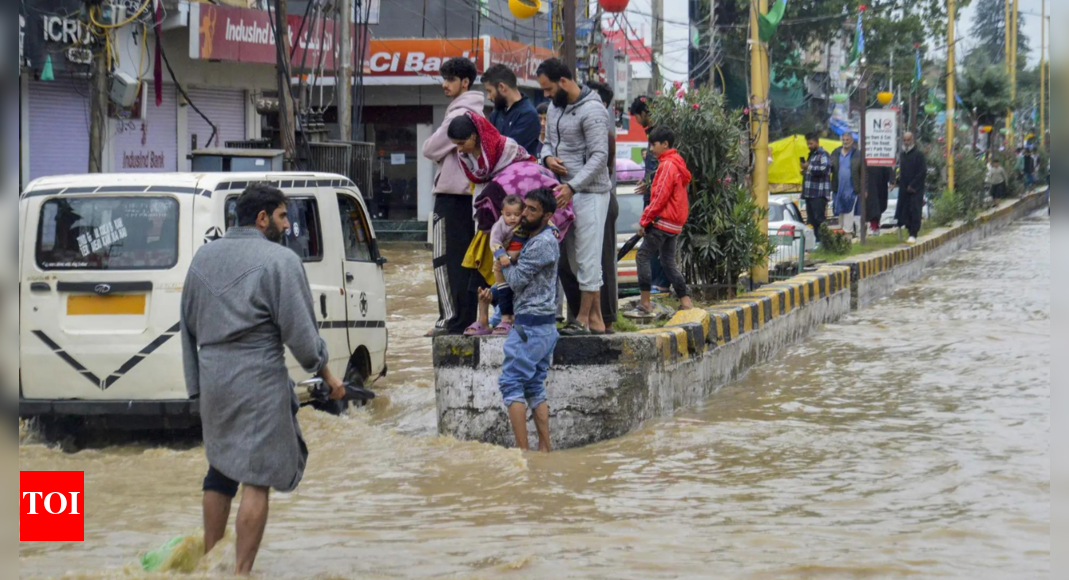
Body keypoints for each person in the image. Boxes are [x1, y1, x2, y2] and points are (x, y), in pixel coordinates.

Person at [181, 184, 346, 576]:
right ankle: (240, 572)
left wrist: (196, 388)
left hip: (213, 380)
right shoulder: (279, 261)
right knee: (257, 478)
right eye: (283, 216)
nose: (287, 225)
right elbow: (302, 337)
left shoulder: (202, 258)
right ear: (262, 219)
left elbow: (185, 325)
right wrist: (326, 372)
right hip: (258, 381)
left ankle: (209, 563)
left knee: (220, 471)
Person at [446, 112, 575, 337]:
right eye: (455, 144)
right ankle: (490, 319)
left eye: (462, 142)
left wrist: (506, 249)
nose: (459, 149)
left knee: (512, 276)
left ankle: (505, 319)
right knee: (484, 270)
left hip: (512, 218)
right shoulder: (469, 161)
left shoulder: (508, 153)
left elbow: (525, 175)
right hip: (492, 217)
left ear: (475, 137)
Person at [537, 58, 612, 336]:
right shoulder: (555, 108)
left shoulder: (593, 110)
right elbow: (546, 142)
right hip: (562, 191)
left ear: (564, 82)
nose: (545, 96)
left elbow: (599, 157)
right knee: (572, 260)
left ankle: (581, 319)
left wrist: (573, 186)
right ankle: (596, 321)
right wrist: (547, 159)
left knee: (588, 257)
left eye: (547, 89)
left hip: (589, 193)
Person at [490, 187, 561, 452]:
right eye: (525, 208)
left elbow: (517, 281)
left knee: (511, 383)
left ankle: (523, 452)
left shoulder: (542, 243)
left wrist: (503, 259)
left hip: (529, 327)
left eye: (533, 210)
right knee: (533, 385)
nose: (525, 214)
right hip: (543, 327)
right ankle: (544, 450)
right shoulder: (541, 238)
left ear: (548, 215)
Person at [421, 57, 486, 337]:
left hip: (452, 195)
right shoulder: (477, 109)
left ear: (465, 83)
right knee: (466, 262)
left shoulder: (461, 113)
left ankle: (451, 321)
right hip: (470, 198)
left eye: (449, 79)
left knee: (445, 261)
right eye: (444, 79)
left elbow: (430, 148)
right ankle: (466, 320)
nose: (445, 85)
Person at [558, 79, 618, 332]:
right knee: (576, 263)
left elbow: (602, 165)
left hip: (595, 196)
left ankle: (594, 317)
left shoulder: (601, 131)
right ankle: (595, 319)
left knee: (595, 261)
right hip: (578, 195)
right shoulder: (570, 124)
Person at [627, 127, 694, 318]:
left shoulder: (667, 165)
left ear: (665, 144)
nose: (651, 149)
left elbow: (659, 197)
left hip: (662, 222)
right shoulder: (678, 163)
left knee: (642, 256)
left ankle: (645, 303)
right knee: (667, 262)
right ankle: (685, 301)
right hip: (675, 223)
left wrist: (644, 220)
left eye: (653, 145)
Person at [630, 95, 670, 292]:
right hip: (653, 198)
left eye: (637, 117)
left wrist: (650, 185)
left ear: (644, 113)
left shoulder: (656, 136)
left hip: (656, 200)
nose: (637, 122)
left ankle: (660, 285)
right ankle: (659, 284)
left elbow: (659, 170)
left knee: (653, 245)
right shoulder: (654, 136)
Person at [484, 64, 542, 158]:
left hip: (520, 171)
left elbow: (508, 151)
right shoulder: (496, 113)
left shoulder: (528, 115)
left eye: (490, 91)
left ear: (502, 87)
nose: (488, 97)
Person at [487, 195, 526, 334]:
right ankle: (502, 318)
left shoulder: (524, 224)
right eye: (508, 214)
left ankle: (510, 317)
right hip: (501, 262)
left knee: (515, 291)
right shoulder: (499, 226)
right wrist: (501, 255)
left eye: (517, 214)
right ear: (502, 212)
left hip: (518, 262)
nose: (513, 218)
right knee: (504, 290)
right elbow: (494, 242)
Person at [895, 132, 928, 244]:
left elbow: (922, 172)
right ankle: (908, 230)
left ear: (913, 140)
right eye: (905, 140)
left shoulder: (918, 155)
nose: (907, 142)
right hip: (904, 188)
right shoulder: (903, 155)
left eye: (909, 140)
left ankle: (913, 233)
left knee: (914, 210)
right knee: (905, 210)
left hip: (915, 189)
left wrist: (913, 185)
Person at [801, 132, 832, 243]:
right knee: (812, 221)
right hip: (809, 194)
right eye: (808, 144)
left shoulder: (823, 155)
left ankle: (825, 242)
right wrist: (805, 171)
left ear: (817, 142)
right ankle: (818, 242)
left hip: (818, 194)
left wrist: (808, 167)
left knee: (820, 219)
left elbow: (824, 169)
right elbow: (812, 170)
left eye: (811, 143)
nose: (809, 146)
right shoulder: (812, 155)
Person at [830, 132, 862, 238]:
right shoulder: (836, 152)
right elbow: (830, 167)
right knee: (840, 212)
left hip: (852, 189)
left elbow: (863, 172)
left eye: (847, 140)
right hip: (838, 189)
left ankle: (848, 233)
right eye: (843, 140)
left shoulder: (857, 154)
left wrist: (864, 188)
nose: (845, 142)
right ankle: (842, 233)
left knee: (849, 211)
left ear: (852, 141)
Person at [866, 166, 892, 235]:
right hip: (868, 182)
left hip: (880, 182)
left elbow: (888, 165)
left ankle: (875, 226)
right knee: (872, 206)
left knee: (878, 206)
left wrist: (892, 180)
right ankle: (873, 226)